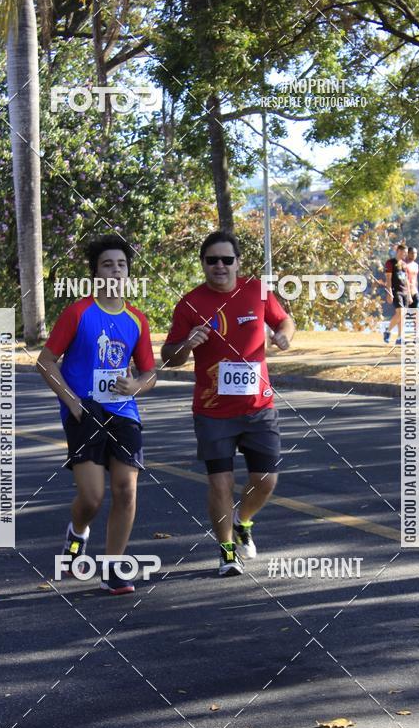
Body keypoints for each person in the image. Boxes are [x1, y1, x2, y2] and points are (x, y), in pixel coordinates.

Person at [161, 230, 295, 577]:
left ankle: (243, 520)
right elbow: (169, 356)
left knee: (266, 480)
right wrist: (187, 344)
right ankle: (226, 551)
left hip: (258, 407)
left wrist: (284, 335)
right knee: (220, 484)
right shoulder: (190, 303)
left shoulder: (257, 291)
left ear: (238, 262)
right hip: (213, 411)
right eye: (212, 260)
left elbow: (284, 320)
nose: (220, 266)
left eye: (226, 259)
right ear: (203, 264)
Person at [37, 235, 156, 595]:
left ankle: (113, 568)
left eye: (121, 264)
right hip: (84, 410)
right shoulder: (79, 312)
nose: (115, 270)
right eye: (107, 264)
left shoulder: (137, 319)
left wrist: (136, 386)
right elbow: (45, 362)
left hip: (124, 412)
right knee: (91, 498)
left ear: (128, 273)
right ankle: (77, 533)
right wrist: (72, 402)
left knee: (126, 491)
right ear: (95, 273)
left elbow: (150, 372)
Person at [382, 243, 409, 345]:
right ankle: (388, 331)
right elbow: (388, 279)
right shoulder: (390, 263)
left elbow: (406, 281)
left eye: (406, 253)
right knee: (400, 312)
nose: (405, 255)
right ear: (398, 251)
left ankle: (399, 338)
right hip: (395, 291)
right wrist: (389, 292)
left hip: (404, 292)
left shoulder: (404, 264)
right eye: (403, 252)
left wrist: (409, 295)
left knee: (402, 315)